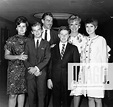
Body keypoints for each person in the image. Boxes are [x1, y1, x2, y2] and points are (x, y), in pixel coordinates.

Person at [47, 26, 80, 107]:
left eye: (66, 34)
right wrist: (49, 78)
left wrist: (74, 80)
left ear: (69, 35)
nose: (64, 36)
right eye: (62, 34)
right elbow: (50, 64)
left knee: (66, 101)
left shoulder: (73, 48)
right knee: (55, 101)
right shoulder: (52, 49)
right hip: (55, 78)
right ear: (58, 35)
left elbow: (76, 64)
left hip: (68, 79)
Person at [83, 18, 108, 107]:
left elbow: (104, 58)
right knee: (90, 97)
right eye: (87, 26)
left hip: (97, 73)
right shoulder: (85, 40)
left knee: (98, 98)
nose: (89, 29)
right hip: (87, 73)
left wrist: (105, 74)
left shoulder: (101, 40)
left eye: (91, 26)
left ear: (96, 27)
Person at [24, 22, 51, 107]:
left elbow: (47, 59)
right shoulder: (28, 43)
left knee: (41, 96)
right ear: (32, 32)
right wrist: (31, 69)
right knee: (31, 97)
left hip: (41, 73)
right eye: (34, 30)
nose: (37, 32)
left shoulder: (46, 43)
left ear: (42, 30)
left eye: (38, 29)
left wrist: (36, 68)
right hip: (30, 73)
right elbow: (24, 58)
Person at [4, 16, 29, 107]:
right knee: (12, 95)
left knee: (22, 93)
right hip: (13, 70)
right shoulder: (11, 40)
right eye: (20, 26)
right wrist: (18, 56)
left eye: (24, 26)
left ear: (26, 28)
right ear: (16, 28)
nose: (22, 29)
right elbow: (6, 56)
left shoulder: (29, 40)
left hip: (25, 70)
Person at [68, 15, 87, 107]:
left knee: (77, 91)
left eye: (76, 24)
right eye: (72, 24)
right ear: (69, 26)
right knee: (66, 91)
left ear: (79, 26)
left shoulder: (84, 39)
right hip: (66, 68)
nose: (74, 27)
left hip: (79, 68)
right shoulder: (65, 37)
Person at [41, 12, 59, 107]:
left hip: (51, 67)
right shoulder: (36, 32)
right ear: (42, 21)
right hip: (39, 66)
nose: (50, 23)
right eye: (48, 20)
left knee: (48, 92)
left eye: (51, 21)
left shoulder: (56, 34)